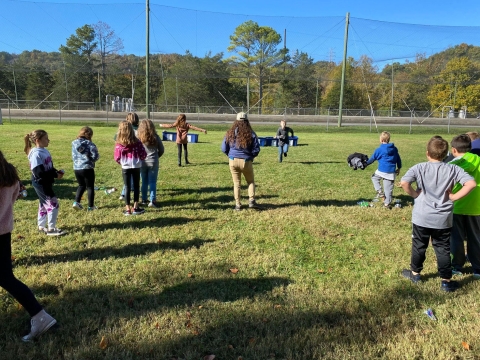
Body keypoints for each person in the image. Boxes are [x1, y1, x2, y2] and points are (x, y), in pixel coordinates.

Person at [400, 136, 476, 292]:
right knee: (442, 248)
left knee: (419, 246)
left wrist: (415, 194)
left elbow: (404, 183)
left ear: (427, 153)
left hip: (422, 217)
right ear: (446, 154)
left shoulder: (419, 167)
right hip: (443, 218)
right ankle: (446, 281)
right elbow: (471, 184)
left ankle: (415, 274)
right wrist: (454, 197)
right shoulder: (453, 168)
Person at [0, 150, 57, 342]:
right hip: (4, 233)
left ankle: (39, 315)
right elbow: (15, 196)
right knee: (6, 277)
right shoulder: (9, 175)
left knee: (6, 278)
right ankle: (39, 315)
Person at [448, 134, 480, 279]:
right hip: (476, 206)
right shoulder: (479, 161)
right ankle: (477, 268)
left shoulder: (451, 166)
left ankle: (457, 266)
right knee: (476, 238)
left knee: (456, 238)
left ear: (453, 150)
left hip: (457, 206)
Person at [24, 130, 66, 236]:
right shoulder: (36, 154)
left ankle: (41, 226)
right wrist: (55, 175)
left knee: (43, 204)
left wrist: (56, 172)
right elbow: (39, 173)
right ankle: (51, 229)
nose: (48, 140)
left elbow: (49, 166)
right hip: (40, 183)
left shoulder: (44, 151)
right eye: (46, 138)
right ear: (38, 140)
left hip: (45, 182)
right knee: (53, 205)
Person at [221, 112, 261, 211]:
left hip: (232, 160)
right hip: (246, 161)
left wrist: (230, 155)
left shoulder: (229, 132)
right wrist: (251, 157)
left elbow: (223, 148)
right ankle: (251, 200)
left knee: (236, 183)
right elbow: (256, 149)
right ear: (247, 121)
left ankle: (238, 204)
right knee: (250, 181)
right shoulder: (251, 133)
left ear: (236, 121)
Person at [114, 121, 147, 216]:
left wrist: (121, 162)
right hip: (136, 165)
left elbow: (116, 157)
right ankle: (136, 207)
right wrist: (140, 158)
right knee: (136, 186)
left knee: (127, 186)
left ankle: (128, 208)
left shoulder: (119, 144)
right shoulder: (137, 142)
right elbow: (143, 154)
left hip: (125, 166)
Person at [365, 131, 402, 208]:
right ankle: (387, 204)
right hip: (391, 172)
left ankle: (380, 192)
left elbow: (372, 159)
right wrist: (399, 167)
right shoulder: (394, 149)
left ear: (381, 140)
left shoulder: (379, 150)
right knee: (388, 189)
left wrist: (365, 164)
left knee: (374, 178)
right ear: (388, 139)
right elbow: (398, 159)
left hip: (381, 171)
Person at [137, 119, 164, 208]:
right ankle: (152, 200)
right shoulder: (156, 137)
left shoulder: (138, 138)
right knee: (152, 182)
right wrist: (156, 156)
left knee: (144, 181)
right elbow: (161, 150)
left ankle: (144, 199)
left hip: (142, 162)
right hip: (153, 162)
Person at [72, 126, 100, 211]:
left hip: (77, 168)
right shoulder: (89, 144)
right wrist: (93, 159)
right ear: (90, 135)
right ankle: (91, 206)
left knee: (81, 185)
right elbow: (95, 156)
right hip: (87, 168)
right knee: (90, 187)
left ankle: (76, 202)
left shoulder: (74, 143)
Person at [115, 113, 139, 201]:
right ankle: (129, 194)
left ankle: (123, 194)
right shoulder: (139, 130)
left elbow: (116, 139)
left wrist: (119, 160)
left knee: (127, 180)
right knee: (135, 179)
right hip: (136, 159)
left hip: (125, 160)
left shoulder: (123, 130)